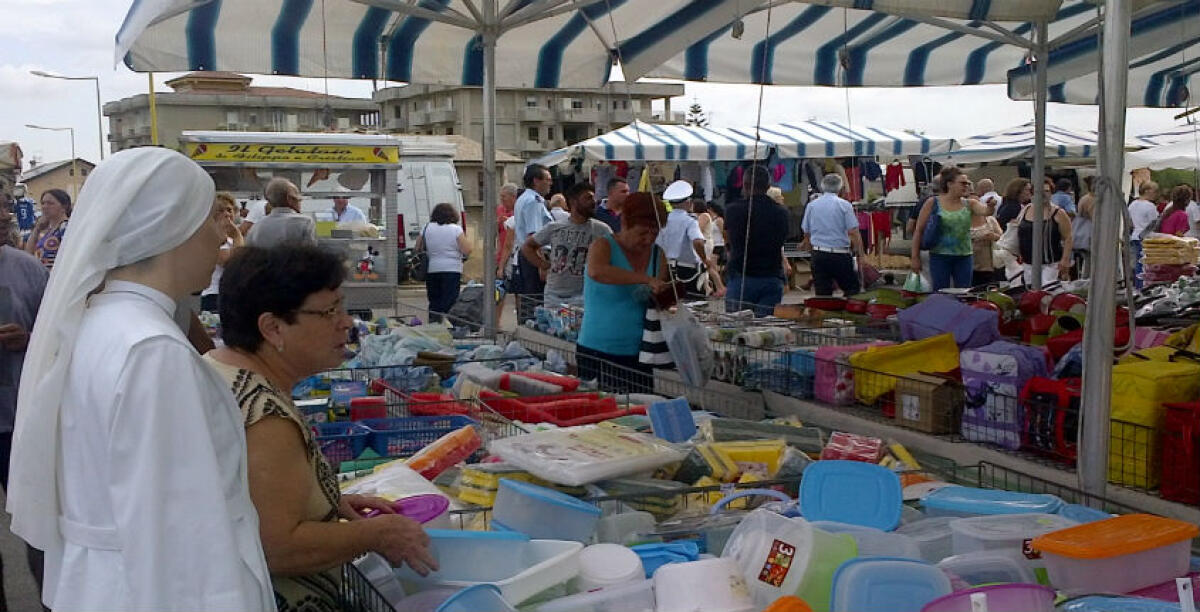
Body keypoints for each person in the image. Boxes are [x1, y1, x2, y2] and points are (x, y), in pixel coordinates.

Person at [7, 147, 275, 610]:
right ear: (171, 225)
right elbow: (178, 539)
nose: (220, 236)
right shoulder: (152, 350)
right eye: (210, 218)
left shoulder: (99, 322)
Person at [207, 245, 437, 609]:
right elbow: (277, 547)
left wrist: (325, 501)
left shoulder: (217, 368)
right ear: (273, 328)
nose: (346, 323)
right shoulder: (266, 417)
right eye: (330, 312)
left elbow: (252, 499)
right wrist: (374, 534)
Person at [577, 193, 670, 393]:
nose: (648, 239)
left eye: (654, 233)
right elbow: (597, 271)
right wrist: (645, 279)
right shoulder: (603, 245)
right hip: (597, 348)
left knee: (639, 406)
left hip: (640, 352)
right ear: (625, 222)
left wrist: (664, 294)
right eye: (642, 233)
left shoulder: (658, 254)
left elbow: (658, 296)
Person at [522, 182, 611, 307]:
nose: (593, 202)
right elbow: (528, 247)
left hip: (584, 295)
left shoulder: (601, 230)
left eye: (593, 198)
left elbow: (615, 255)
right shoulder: (555, 227)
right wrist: (543, 264)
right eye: (588, 198)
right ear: (574, 201)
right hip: (553, 295)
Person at [726, 165, 789, 315]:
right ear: (768, 186)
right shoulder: (781, 213)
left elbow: (728, 240)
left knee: (737, 325)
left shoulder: (733, 210)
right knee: (764, 327)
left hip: (741, 276)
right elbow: (781, 240)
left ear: (745, 185)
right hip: (771, 277)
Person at [911, 167, 978, 290]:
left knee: (964, 292)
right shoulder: (932, 202)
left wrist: (991, 206)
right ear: (950, 184)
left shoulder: (969, 203)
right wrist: (915, 257)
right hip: (939, 254)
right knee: (941, 291)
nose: (966, 186)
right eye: (963, 183)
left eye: (968, 183)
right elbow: (918, 230)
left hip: (964, 255)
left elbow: (986, 211)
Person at [801, 174, 864, 297]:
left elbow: (806, 231)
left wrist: (808, 246)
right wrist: (861, 255)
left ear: (822, 187)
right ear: (840, 188)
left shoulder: (812, 205)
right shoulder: (845, 205)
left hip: (819, 254)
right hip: (840, 254)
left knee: (823, 294)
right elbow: (853, 232)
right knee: (852, 291)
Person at [416, 203, 471, 323]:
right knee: (450, 301)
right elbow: (466, 250)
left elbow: (418, 248)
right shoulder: (456, 229)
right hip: (452, 269)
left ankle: (434, 324)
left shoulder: (426, 228)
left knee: (434, 301)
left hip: (432, 269)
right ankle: (449, 325)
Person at [513, 164, 554, 323]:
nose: (550, 183)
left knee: (529, 299)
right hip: (534, 255)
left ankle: (527, 327)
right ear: (536, 180)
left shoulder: (524, 198)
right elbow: (535, 236)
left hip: (526, 254)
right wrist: (541, 265)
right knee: (535, 300)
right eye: (547, 179)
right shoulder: (533, 202)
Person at [657, 182, 707, 299]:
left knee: (671, 303)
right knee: (693, 304)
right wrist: (705, 259)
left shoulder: (663, 220)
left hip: (667, 269)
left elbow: (659, 246)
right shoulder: (690, 221)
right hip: (688, 271)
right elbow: (698, 242)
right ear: (688, 202)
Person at [1017, 191, 1074, 286]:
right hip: (1027, 263)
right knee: (1030, 291)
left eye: (1047, 191)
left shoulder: (1059, 213)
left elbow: (1068, 237)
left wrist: (1065, 260)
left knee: (1048, 290)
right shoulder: (1026, 210)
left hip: (1051, 264)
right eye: (1040, 190)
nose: (1043, 193)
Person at [200, 192, 244, 312]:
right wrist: (237, 236)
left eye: (229, 210)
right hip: (215, 295)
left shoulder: (231, 240)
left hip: (233, 294)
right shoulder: (208, 237)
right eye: (220, 210)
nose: (227, 214)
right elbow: (232, 263)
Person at [246, 177, 317, 247]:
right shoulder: (305, 223)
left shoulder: (256, 227)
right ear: (289, 199)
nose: (300, 201)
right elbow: (310, 251)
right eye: (298, 197)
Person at [23, 189, 70, 270]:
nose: (44, 207)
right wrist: (37, 228)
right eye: (43, 203)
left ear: (64, 206)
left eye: (50, 203)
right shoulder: (49, 231)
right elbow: (28, 255)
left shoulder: (66, 228)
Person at [494, 182, 519, 325]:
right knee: (498, 291)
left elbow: (510, 243)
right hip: (501, 254)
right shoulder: (500, 210)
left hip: (513, 257)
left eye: (504, 197)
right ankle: (496, 322)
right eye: (500, 197)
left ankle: (520, 322)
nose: (502, 200)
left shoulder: (519, 213)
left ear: (513, 197)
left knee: (518, 292)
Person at [1129, 181, 1160, 288]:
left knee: (1138, 262)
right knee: (1146, 263)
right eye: (1154, 191)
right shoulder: (1150, 206)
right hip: (1147, 237)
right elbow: (1154, 223)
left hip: (1135, 235)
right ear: (1147, 191)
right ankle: (1144, 285)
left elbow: (1130, 222)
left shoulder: (1132, 204)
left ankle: (1138, 285)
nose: (1156, 194)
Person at [695, 199, 726, 297]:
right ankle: (709, 287)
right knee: (708, 267)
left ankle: (720, 287)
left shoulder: (718, 219)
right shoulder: (710, 218)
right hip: (713, 244)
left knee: (710, 267)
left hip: (718, 245)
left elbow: (723, 232)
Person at [970, 204, 1003, 286]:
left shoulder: (990, 220)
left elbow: (1002, 237)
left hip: (990, 266)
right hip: (970, 265)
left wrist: (994, 236)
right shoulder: (962, 221)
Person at [1073, 177, 1095, 278]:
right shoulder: (1091, 199)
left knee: (1088, 259)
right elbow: (1094, 217)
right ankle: (1088, 280)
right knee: (1091, 260)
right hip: (1091, 233)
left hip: (1083, 233)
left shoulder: (1084, 198)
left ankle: (1086, 278)